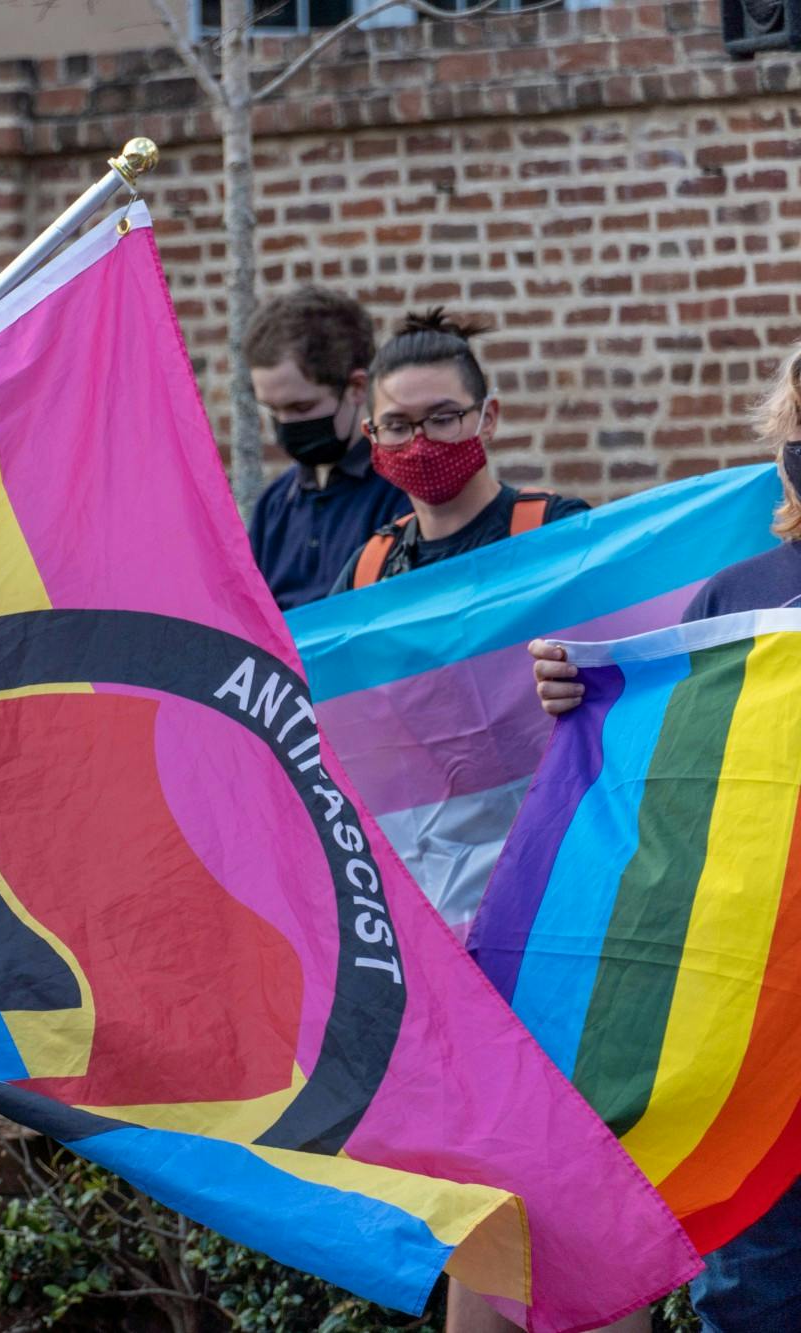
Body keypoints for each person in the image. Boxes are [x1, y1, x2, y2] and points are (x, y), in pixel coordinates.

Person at [530, 342, 801, 1333]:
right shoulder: (734, 599)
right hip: (744, 1032)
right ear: (781, 452)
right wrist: (579, 703)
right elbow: (663, 794)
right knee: (752, 1298)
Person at [329, 311, 588, 596]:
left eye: (442, 419)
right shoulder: (369, 572)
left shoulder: (555, 532)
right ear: (373, 436)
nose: (420, 443)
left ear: (487, 418)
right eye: (396, 426)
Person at [243, 286, 411, 609]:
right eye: (273, 410)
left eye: (301, 408)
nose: (285, 425)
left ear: (357, 387)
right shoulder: (274, 505)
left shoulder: (401, 491)